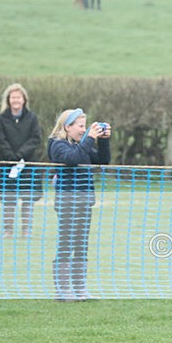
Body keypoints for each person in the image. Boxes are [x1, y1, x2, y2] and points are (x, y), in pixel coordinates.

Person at [47, 108, 111, 301]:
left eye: (85, 126)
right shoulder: (57, 145)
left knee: (81, 245)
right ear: (67, 127)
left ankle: (80, 288)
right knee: (66, 244)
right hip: (67, 202)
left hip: (84, 202)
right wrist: (89, 138)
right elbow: (72, 159)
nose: (84, 130)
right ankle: (62, 289)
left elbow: (102, 160)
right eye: (80, 126)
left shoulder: (80, 144)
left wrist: (104, 140)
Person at [0, 83, 43, 238]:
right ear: (8, 100)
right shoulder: (1, 119)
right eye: (13, 97)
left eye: (18, 97)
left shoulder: (32, 118)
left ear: (24, 100)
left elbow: (35, 138)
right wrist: (11, 157)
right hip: (7, 165)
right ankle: (8, 230)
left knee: (28, 198)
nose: (15, 100)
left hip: (27, 165)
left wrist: (21, 154)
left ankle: (26, 230)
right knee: (9, 198)